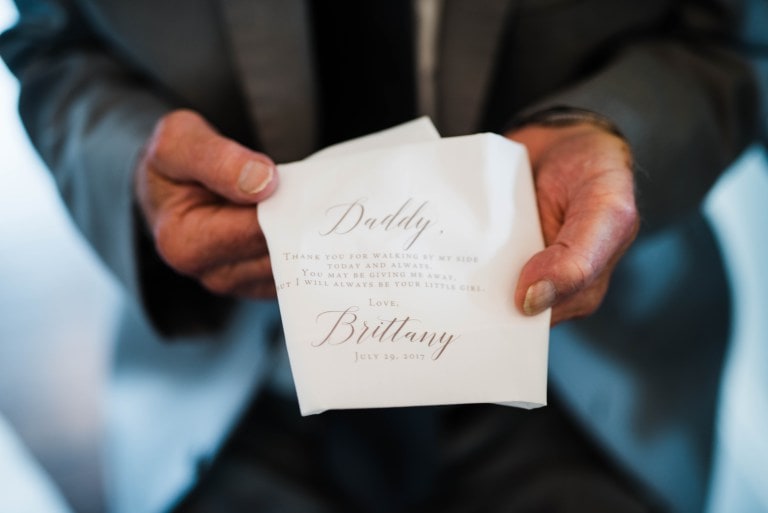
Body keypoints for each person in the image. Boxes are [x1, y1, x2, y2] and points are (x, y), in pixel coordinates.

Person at [1, 1, 765, 512]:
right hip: (237, 387)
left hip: (585, 382)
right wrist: (137, 164)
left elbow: (734, 31)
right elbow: (50, 39)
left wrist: (618, 132)